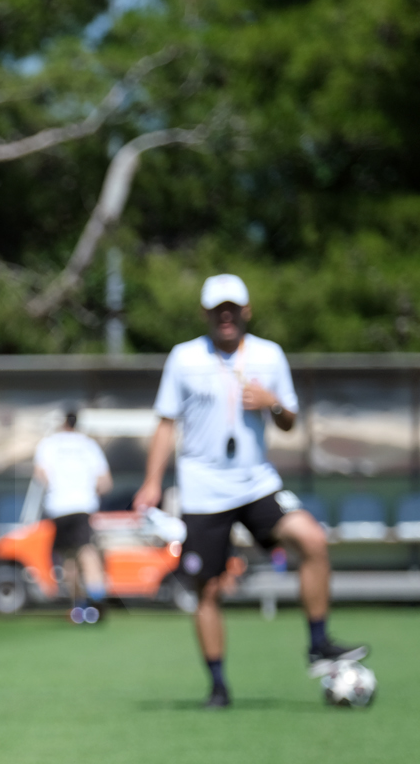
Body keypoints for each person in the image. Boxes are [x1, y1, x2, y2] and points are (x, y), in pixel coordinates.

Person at [134, 273, 367, 708]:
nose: (226, 316)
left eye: (233, 308)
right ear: (205, 313)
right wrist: (152, 481)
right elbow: (166, 423)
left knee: (312, 539)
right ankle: (219, 687)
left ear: (247, 311)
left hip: (256, 482)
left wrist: (271, 402)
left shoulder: (268, 355)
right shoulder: (184, 358)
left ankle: (318, 643)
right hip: (204, 489)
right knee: (206, 589)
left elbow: (289, 419)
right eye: (217, 309)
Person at [33, 409, 111, 624]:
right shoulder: (88, 445)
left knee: (68, 558)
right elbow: (105, 482)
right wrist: (87, 491)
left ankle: (79, 606)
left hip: (59, 506)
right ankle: (97, 599)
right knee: (87, 551)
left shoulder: (49, 444)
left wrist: (58, 488)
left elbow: (41, 474)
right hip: (82, 505)